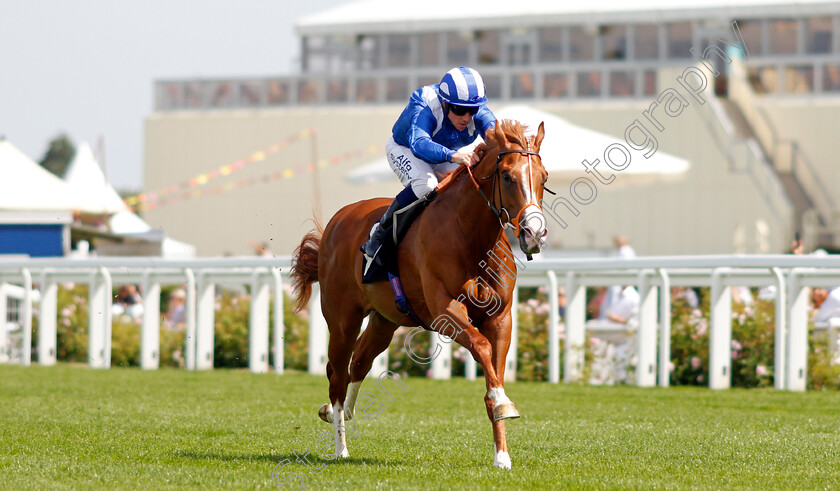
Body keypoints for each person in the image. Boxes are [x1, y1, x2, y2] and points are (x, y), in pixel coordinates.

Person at [360, 66, 497, 271]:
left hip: (444, 153)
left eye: (473, 110)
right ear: (445, 103)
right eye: (459, 110)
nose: (467, 117)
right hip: (406, 149)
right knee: (427, 185)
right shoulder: (424, 102)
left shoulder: (476, 111)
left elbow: (497, 137)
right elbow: (419, 144)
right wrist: (454, 156)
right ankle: (380, 234)